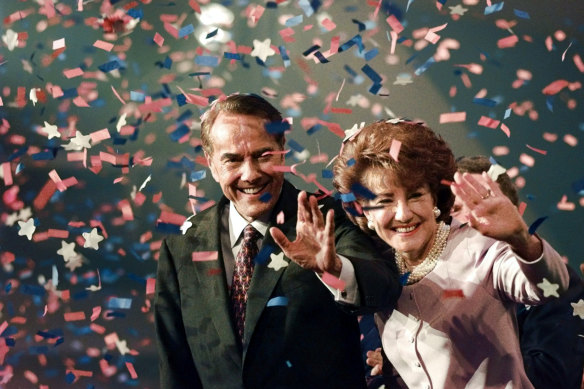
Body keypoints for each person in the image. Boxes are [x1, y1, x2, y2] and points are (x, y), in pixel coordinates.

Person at [154, 94, 401, 389]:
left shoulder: (327, 218)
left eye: (263, 155)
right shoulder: (181, 246)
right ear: (211, 163)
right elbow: (175, 367)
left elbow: (383, 287)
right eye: (232, 159)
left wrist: (333, 269)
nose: (250, 173)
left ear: (282, 151)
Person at [332, 119, 570, 389]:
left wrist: (521, 239)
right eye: (384, 201)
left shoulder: (479, 247)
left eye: (415, 195)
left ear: (434, 197)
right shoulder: (382, 271)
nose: (403, 213)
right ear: (365, 213)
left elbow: (550, 289)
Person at [455, 155, 584, 389]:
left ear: (510, 209)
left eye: (478, 201)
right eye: (452, 209)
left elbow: (551, 379)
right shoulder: (425, 291)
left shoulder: (548, 280)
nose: (466, 217)